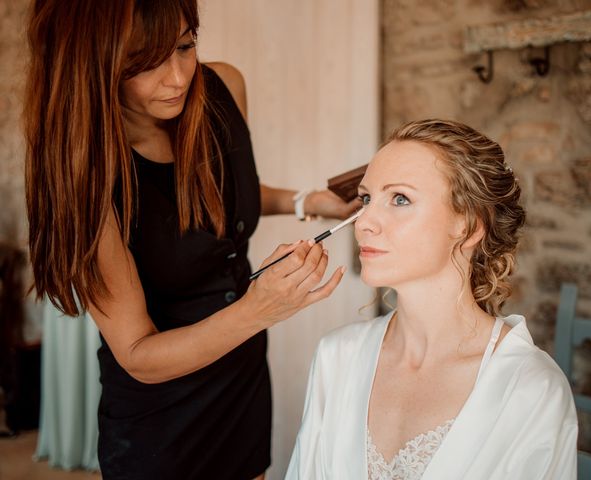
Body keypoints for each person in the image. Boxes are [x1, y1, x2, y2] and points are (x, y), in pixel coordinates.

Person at [24, 0, 359, 479]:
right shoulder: (87, 181)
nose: (178, 78)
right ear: (93, 65)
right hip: (161, 414)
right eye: (143, 63)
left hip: (241, 375)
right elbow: (138, 355)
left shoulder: (223, 88)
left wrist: (307, 201)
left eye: (185, 46)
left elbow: (217, 193)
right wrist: (259, 309)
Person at [285, 119, 578, 479]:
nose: (363, 223)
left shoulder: (530, 389)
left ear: (468, 226)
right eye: (366, 199)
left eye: (400, 198)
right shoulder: (336, 357)